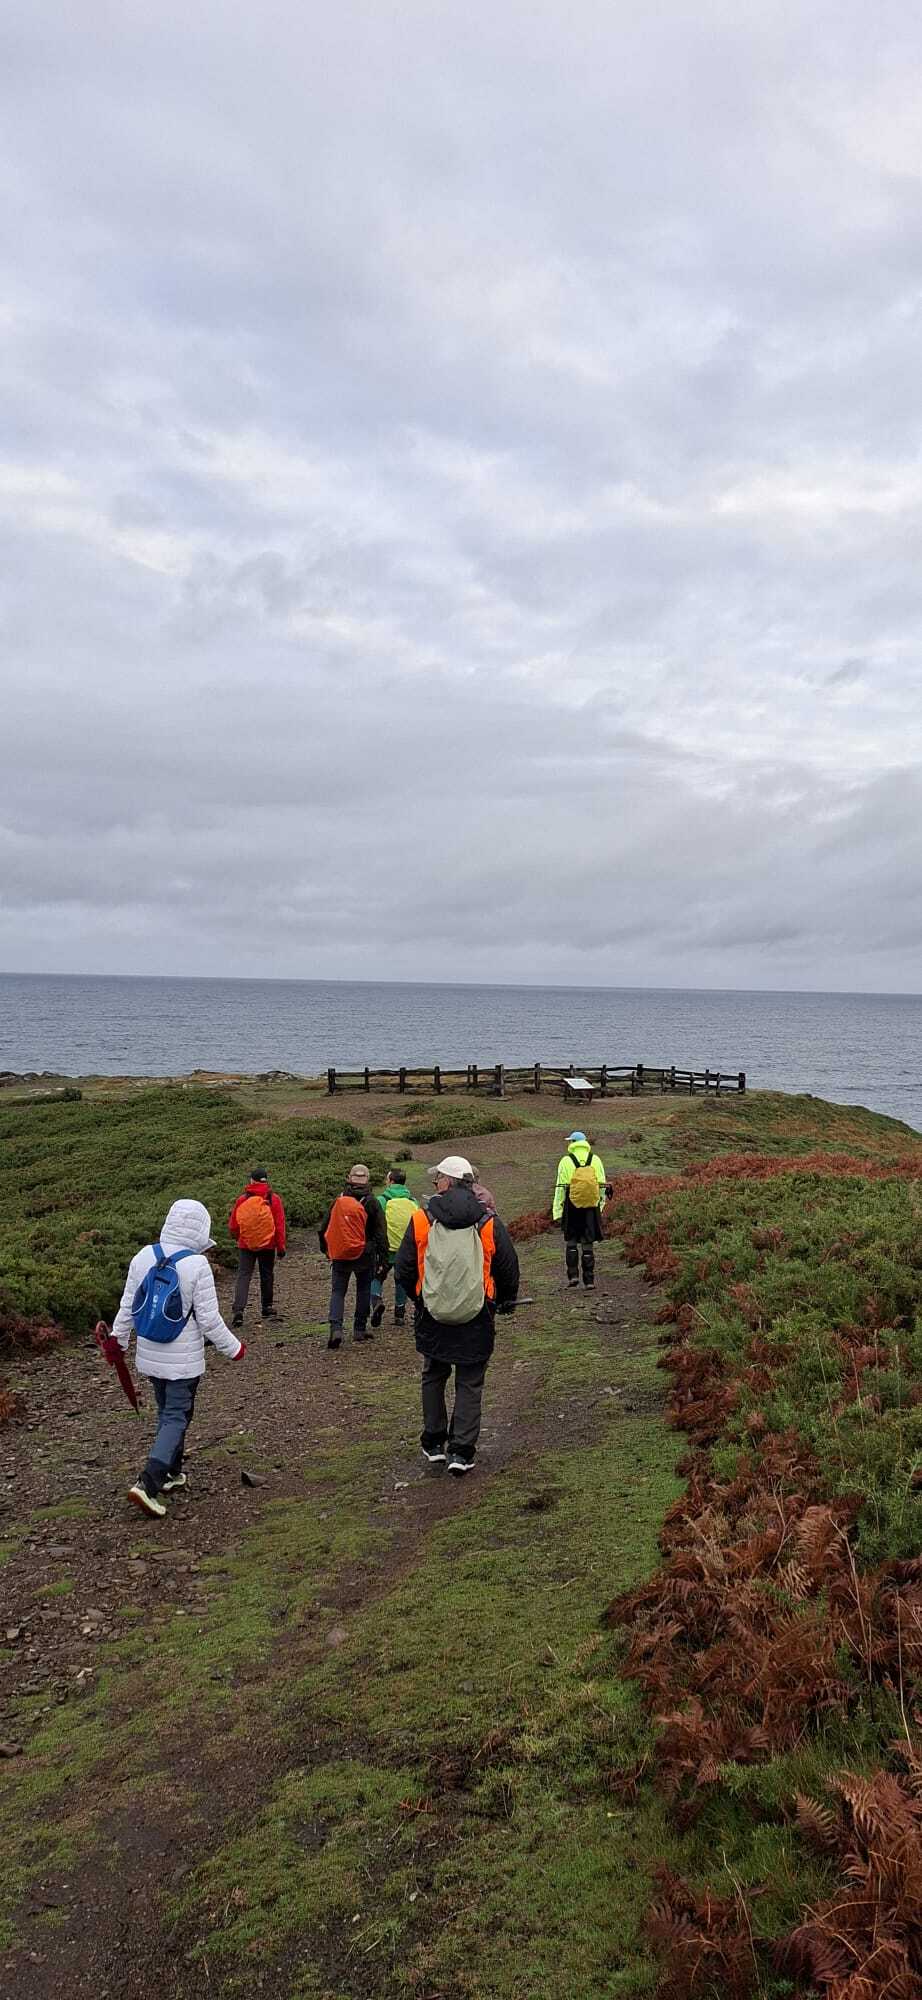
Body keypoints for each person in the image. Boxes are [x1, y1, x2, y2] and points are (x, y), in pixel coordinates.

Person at [112, 1198, 245, 1519]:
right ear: (201, 1229)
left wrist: (118, 1340)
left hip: (150, 1352)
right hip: (183, 1359)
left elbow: (128, 1305)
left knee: (168, 1411)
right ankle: (148, 1483)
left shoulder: (144, 1256)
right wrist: (234, 1348)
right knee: (177, 1415)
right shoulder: (196, 1265)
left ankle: (172, 1472)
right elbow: (209, 1320)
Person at [394, 1154, 519, 1477]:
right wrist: (504, 1301)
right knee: (470, 1381)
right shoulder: (487, 1221)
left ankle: (434, 1442)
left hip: (432, 1313)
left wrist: (422, 1298)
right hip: (477, 1314)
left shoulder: (422, 1219)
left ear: (447, 1182)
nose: (435, 1183)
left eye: (437, 1178)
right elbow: (508, 1267)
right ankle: (461, 1451)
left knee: (434, 1374)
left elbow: (404, 1267)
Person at [319, 1163, 388, 1349]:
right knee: (363, 1289)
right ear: (368, 1180)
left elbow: (323, 1227)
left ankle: (336, 1328)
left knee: (338, 1291)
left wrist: (326, 1250)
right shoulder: (372, 1202)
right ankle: (359, 1329)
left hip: (341, 1253)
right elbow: (381, 1233)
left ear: (349, 1179)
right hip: (365, 1253)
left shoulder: (339, 1199)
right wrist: (383, 1258)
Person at [228, 1168, 287, 1326]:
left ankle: (238, 1310)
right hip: (268, 1244)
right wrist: (281, 1247)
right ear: (266, 1181)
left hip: (246, 1244)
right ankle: (267, 1307)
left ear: (251, 1181)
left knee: (244, 1275)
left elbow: (233, 1225)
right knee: (266, 1274)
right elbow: (279, 1225)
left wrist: (238, 1237)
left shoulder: (242, 1199)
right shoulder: (274, 1199)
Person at [551, 1130, 608, 1289]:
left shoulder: (565, 1161)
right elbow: (602, 1184)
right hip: (591, 1206)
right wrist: (600, 1205)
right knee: (587, 1242)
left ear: (573, 1143)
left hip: (571, 1205)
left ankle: (573, 1276)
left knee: (571, 1241)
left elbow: (560, 1188)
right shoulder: (595, 1159)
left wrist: (557, 1210)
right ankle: (589, 1280)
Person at [370, 1166, 419, 1328]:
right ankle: (399, 1313)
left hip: (386, 1249)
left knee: (376, 1276)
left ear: (390, 1181)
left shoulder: (382, 1200)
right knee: (401, 1280)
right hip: (406, 1249)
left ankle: (376, 1301)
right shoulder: (413, 1202)